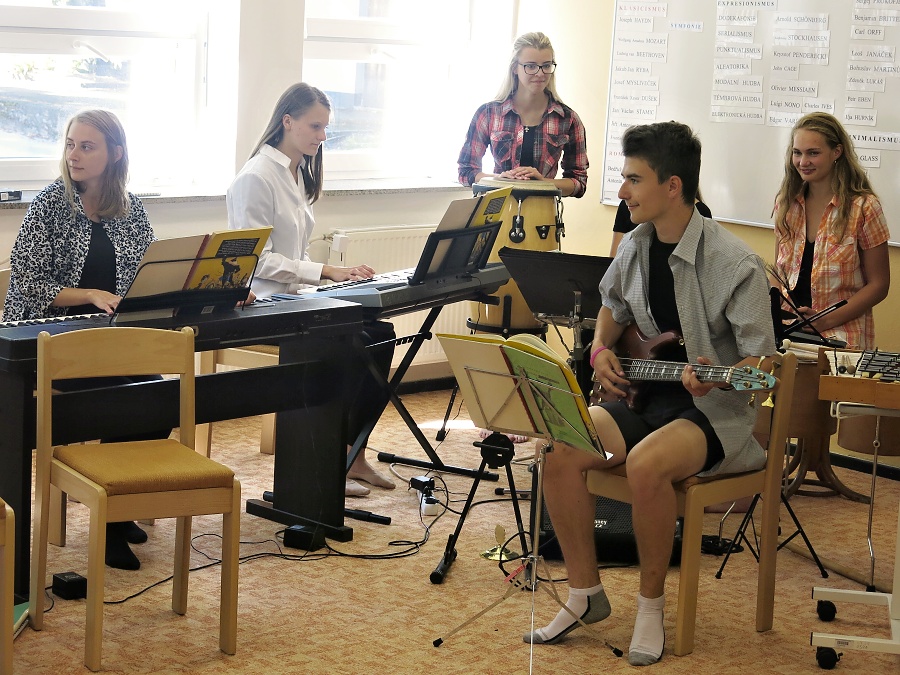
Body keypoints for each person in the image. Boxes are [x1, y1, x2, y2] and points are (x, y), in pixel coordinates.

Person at [524, 121, 775, 666]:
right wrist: (600, 351)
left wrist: (721, 375)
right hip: (647, 399)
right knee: (559, 448)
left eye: (634, 179)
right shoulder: (636, 245)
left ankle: (650, 607)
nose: (622, 191)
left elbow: (763, 365)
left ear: (673, 186)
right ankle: (584, 594)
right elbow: (611, 307)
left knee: (644, 466)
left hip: (713, 411)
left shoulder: (735, 263)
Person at [3, 109, 162, 570]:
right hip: (50, 340)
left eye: (86, 146)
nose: (74, 154)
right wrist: (88, 293)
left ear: (115, 153)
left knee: (159, 396)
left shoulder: (130, 209)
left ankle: (118, 508)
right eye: (70, 144)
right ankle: (110, 523)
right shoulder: (50, 204)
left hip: (108, 341)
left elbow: (147, 274)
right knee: (125, 399)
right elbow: (27, 283)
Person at [226, 82, 395, 497]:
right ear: (287, 121)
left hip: (295, 299)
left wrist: (325, 280)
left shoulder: (297, 171)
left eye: (325, 128)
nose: (322, 136)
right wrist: (328, 272)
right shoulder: (256, 177)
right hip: (262, 303)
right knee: (351, 343)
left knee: (381, 335)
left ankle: (352, 454)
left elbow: (294, 251)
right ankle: (326, 461)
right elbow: (255, 260)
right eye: (315, 126)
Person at [771, 112, 890, 351]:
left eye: (813, 153)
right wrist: (774, 308)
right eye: (797, 152)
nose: (803, 162)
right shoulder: (786, 203)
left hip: (841, 339)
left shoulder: (864, 207)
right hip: (787, 335)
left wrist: (825, 320)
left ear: (837, 152)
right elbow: (778, 271)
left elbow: (879, 284)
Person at [457, 31, 588, 196]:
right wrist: (499, 180)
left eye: (546, 66)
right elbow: (465, 171)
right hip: (498, 208)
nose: (540, 73)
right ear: (515, 68)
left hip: (543, 210)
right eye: (531, 66)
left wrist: (543, 183)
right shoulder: (488, 114)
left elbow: (579, 182)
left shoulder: (568, 119)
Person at [610, 194, 711, 257]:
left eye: (635, 180)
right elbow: (614, 260)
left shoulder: (700, 213)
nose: (621, 194)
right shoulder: (628, 206)